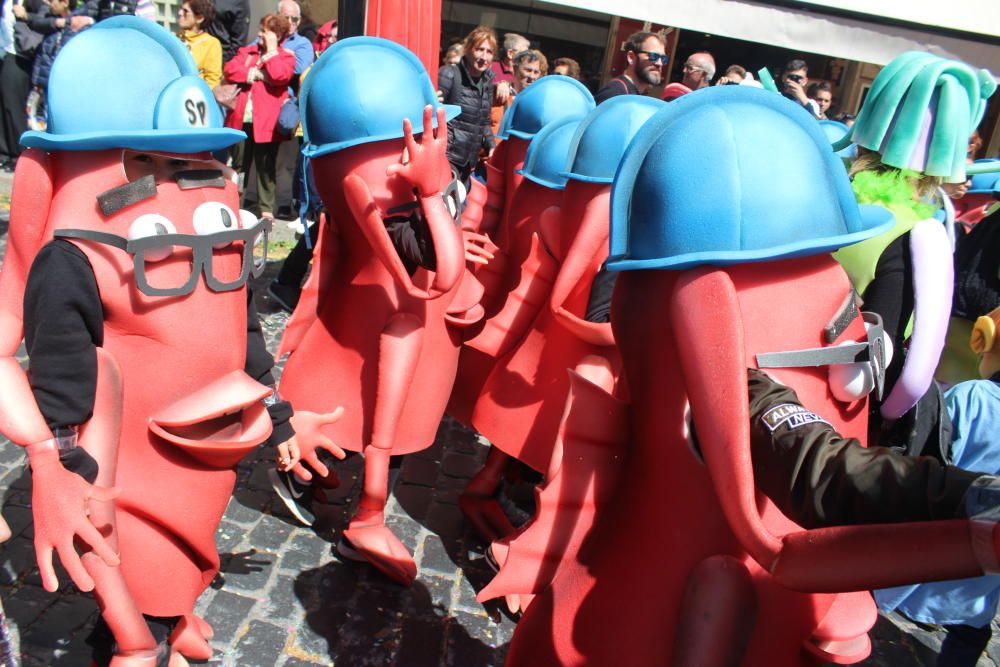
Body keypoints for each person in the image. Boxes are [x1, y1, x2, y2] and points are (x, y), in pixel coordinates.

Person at [875, 305, 1000, 667]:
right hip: (978, 578)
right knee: (972, 628)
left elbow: (926, 456)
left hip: (926, 554)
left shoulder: (974, 399)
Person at [223, 13, 296, 222]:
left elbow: (280, 75)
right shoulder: (248, 52)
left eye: (265, 31)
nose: (260, 34)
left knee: (266, 167)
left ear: (277, 35)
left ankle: (265, 209)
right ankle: (233, 203)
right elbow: (230, 69)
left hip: (266, 123)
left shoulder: (285, 56)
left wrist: (272, 52)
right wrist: (254, 74)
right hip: (241, 119)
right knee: (237, 165)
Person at [437, 24, 496, 182]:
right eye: (479, 49)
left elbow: (484, 121)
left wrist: (491, 145)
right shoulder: (449, 74)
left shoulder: (487, 82)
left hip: (468, 162)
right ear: (469, 49)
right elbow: (434, 113)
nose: (484, 57)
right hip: (447, 158)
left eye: (489, 52)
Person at [594, 30, 666, 104]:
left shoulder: (635, 95)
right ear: (631, 57)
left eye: (663, 58)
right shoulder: (615, 94)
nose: (659, 63)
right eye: (653, 56)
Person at [489, 31, 528, 133]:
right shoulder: (492, 68)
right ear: (510, 53)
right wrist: (499, 84)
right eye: (524, 53)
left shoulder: (525, 75)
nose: (527, 57)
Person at [177, 0, 221, 88]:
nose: (180, 13)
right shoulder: (176, 38)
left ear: (199, 18)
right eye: (180, 9)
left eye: (186, 11)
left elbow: (212, 81)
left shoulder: (211, 44)